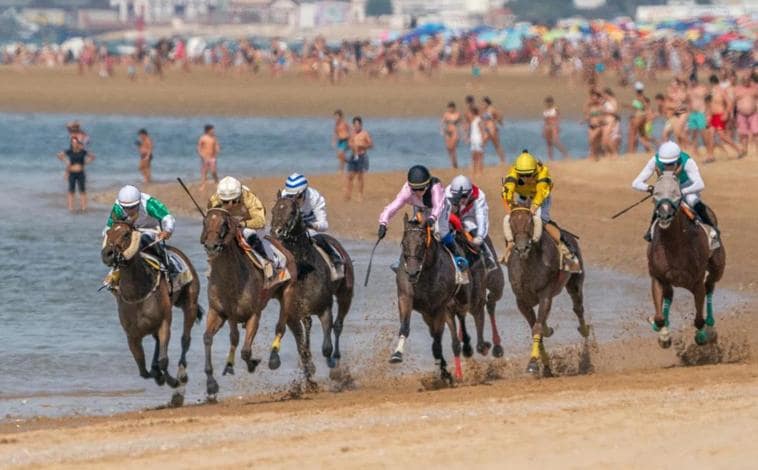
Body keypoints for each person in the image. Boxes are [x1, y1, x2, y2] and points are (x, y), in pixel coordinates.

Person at [378, 165, 468, 277]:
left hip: (441, 208)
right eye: (414, 189)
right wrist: (383, 223)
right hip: (420, 208)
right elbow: (393, 207)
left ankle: (457, 258)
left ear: (427, 185)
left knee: (441, 232)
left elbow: (438, 206)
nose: (418, 192)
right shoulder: (406, 191)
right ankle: (401, 261)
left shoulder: (435, 187)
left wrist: (432, 218)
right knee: (413, 232)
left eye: (421, 189)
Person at [501, 150, 581, 273]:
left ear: (534, 171)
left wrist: (533, 208)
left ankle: (569, 254)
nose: (525, 178)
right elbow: (507, 193)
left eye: (528, 175)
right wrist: (510, 209)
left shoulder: (543, 173)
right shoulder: (512, 174)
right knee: (514, 221)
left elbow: (540, 194)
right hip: (523, 196)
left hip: (541, 197)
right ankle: (509, 251)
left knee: (541, 220)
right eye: (522, 175)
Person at [631, 141, 717, 244]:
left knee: (692, 200)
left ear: (678, 159)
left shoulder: (687, 161)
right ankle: (650, 231)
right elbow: (636, 183)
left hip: (686, 187)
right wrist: (651, 188)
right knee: (661, 203)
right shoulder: (655, 160)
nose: (668, 167)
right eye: (665, 164)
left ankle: (712, 231)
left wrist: (682, 191)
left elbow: (700, 184)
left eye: (671, 164)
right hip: (666, 189)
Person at [207, 176, 280, 281]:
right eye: (225, 202)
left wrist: (242, 224)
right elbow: (211, 216)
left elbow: (260, 220)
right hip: (229, 224)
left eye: (232, 201)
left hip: (250, 225)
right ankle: (212, 264)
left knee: (248, 233)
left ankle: (268, 264)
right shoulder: (215, 199)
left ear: (239, 196)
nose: (229, 205)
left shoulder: (250, 199)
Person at [103, 185, 176, 289]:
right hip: (129, 231)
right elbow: (110, 226)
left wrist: (167, 230)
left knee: (142, 239)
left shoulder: (148, 203)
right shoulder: (118, 207)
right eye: (126, 208)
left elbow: (168, 217)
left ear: (139, 202)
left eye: (132, 207)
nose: (129, 211)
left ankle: (169, 265)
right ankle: (115, 271)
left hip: (150, 230)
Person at [280, 173, 342, 273]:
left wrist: (310, 225)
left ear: (304, 193)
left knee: (317, 237)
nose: (293, 201)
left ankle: (334, 258)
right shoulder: (284, 196)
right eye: (290, 197)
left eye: (297, 197)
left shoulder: (315, 198)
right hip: (291, 228)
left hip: (310, 227)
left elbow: (324, 225)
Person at [444, 175, 497, 269]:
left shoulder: (479, 196)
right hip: (452, 217)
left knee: (470, 225)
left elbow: (481, 217)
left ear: (470, 192)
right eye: (459, 196)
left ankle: (487, 256)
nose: (462, 200)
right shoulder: (446, 193)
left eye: (464, 196)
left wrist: (480, 236)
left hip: (469, 218)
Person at [706, 74, 743, 162]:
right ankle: (710, 156)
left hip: (720, 115)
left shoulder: (721, 91)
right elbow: (710, 105)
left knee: (722, 136)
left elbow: (729, 103)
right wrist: (708, 116)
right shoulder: (711, 91)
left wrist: (726, 113)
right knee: (710, 134)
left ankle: (738, 149)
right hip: (713, 116)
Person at [57, 136, 95, 212]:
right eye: (73, 142)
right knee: (71, 191)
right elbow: (59, 155)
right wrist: (66, 162)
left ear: (78, 143)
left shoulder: (83, 151)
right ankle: (71, 208)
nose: (74, 144)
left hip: (81, 173)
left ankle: (84, 208)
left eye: (76, 142)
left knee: (82, 191)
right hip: (72, 173)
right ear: (71, 143)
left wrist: (85, 163)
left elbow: (92, 157)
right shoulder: (69, 151)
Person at [345, 116, 372, 202]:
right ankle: (348, 194)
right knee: (350, 176)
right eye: (355, 125)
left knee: (360, 176)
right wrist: (351, 146)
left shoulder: (365, 133)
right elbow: (349, 143)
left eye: (358, 125)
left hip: (361, 156)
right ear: (353, 125)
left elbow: (370, 145)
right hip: (353, 155)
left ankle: (360, 195)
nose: (356, 127)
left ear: (361, 125)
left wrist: (362, 146)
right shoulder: (351, 134)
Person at [734, 73, 757, 157]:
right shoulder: (737, 89)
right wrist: (732, 115)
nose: (746, 81)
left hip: (753, 114)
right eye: (744, 79)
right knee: (743, 133)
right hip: (741, 114)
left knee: (756, 133)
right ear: (742, 80)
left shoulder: (755, 88)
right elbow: (733, 103)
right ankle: (744, 150)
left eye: (748, 79)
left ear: (750, 80)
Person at [481, 97, 507, 164]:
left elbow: (499, 116)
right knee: (481, 144)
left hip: (492, 129)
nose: (482, 104)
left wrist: (496, 122)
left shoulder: (492, 109)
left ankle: (503, 160)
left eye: (483, 103)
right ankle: (480, 160)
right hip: (486, 130)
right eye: (482, 103)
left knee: (497, 145)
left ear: (487, 102)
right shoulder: (484, 110)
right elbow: (483, 119)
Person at [542, 96, 569, 160]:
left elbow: (558, 118)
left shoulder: (555, 109)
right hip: (547, 127)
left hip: (554, 127)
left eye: (550, 102)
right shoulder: (545, 112)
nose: (548, 103)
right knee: (548, 144)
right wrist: (543, 130)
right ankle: (550, 159)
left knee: (555, 141)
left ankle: (565, 153)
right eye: (547, 102)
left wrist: (557, 126)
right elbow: (545, 121)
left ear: (552, 102)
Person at [197, 124, 220, 191]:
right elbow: (199, 147)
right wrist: (201, 155)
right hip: (205, 157)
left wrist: (217, 151)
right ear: (207, 131)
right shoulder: (203, 138)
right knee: (204, 172)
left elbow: (216, 146)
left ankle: (217, 182)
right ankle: (203, 185)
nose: (213, 131)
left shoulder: (213, 138)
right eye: (212, 130)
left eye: (213, 130)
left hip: (212, 157)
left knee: (213, 171)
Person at [441, 101, 461, 168]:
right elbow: (442, 123)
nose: (451, 109)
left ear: (454, 108)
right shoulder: (446, 114)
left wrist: (462, 134)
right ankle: (452, 162)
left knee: (453, 148)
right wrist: (442, 131)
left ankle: (455, 163)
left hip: (455, 132)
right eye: (449, 108)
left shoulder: (457, 114)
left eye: (452, 108)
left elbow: (462, 123)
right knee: (448, 148)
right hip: (447, 132)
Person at [468, 106, 486, 176]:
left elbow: (482, 130)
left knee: (480, 156)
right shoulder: (472, 120)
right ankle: (474, 171)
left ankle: (480, 172)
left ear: (473, 113)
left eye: (470, 113)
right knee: (473, 156)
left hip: (478, 139)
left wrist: (483, 140)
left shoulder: (478, 120)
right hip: (473, 140)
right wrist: (469, 138)